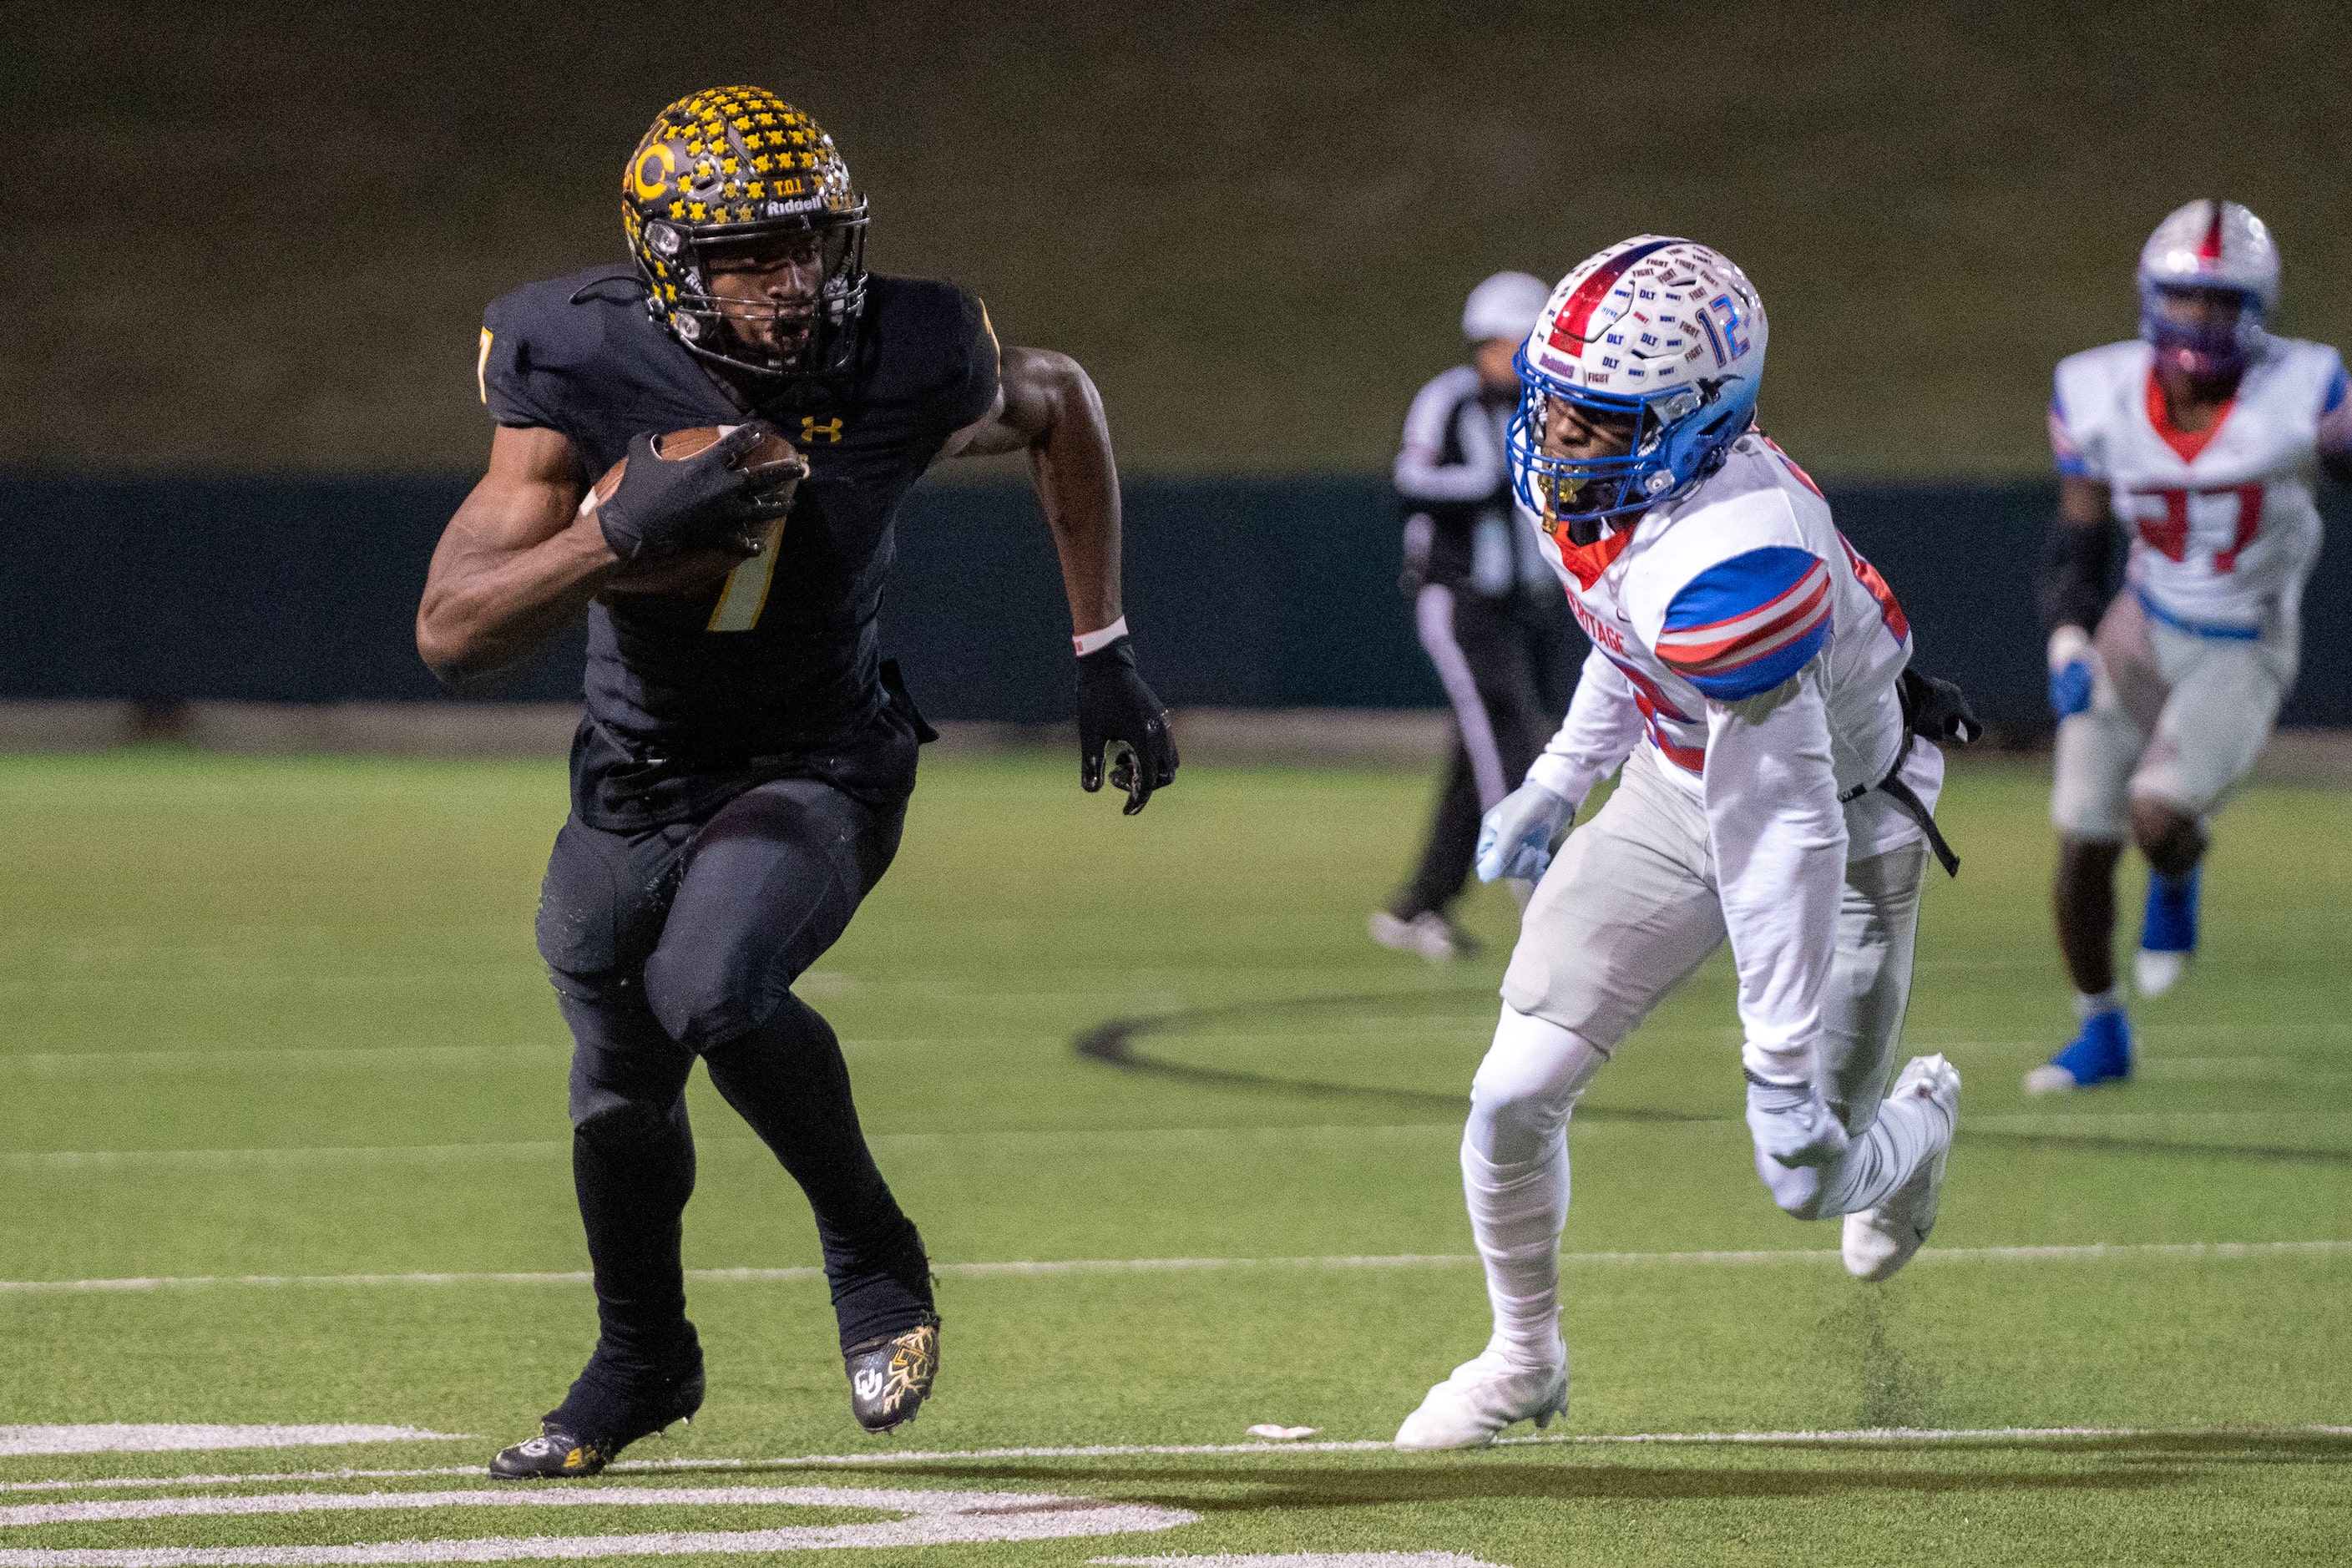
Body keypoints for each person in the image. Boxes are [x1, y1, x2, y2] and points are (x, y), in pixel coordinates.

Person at [414, 87, 1178, 1478]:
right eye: (747, 255)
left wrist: (1103, 646)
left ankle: (871, 1254)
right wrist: (612, 535)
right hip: (635, 770)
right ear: (670, 266)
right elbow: (452, 628)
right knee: (614, 1082)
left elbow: (1060, 402)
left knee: (709, 983)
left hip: (821, 757)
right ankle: (642, 1359)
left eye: (809, 246)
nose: (788, 283)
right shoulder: (578, 358)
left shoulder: (909, 352)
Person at [1392, 237, 1967, 1451]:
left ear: (1694, 420)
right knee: (1509, 1092)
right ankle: (1522, 1355)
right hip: (1677, 782)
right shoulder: (1616, 490)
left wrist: (1776, 1052)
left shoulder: (1740, 555)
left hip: (1849, 820)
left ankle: (1915, 1138)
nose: (1555, 441)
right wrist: (1559, 777)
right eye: (1552, 407)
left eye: (1595, 422)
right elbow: (1624, 629)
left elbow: (1783, 831)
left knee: (1809, 1168)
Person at [2029, 199, 2352, 1093]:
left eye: (2222, 300)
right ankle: (2101, 1031)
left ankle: (2178, 872)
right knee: (2082, 840)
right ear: (2152, 298)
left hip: (2246, 635)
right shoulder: (2095, 392)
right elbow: (2081, 536)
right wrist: (2067, 637)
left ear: (2257, 310)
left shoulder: (2309, 392)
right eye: (2187, 297)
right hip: (2142, 616)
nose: (2202, 319)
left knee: (2157, 820)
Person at [1373, 271, 1581, 961]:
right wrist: (1493, 486)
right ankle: (1543, 901)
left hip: (1522, 603)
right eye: (1508, 346)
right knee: (1508, 741)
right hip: (1456, 596)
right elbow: (1410, 480)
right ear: (1485, 344)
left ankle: (1419, 905)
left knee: (1476, 757)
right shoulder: (1450, 400)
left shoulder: (1552, 407)